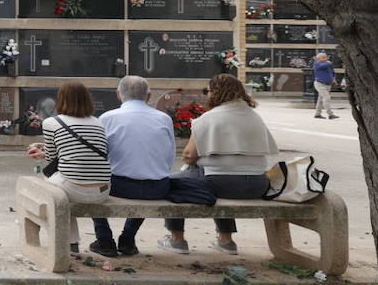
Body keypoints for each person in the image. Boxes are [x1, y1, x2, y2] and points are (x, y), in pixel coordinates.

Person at [89, 76, 217, 258]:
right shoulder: (163, 118)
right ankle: (128, 238)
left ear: (119, 94)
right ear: (148, 96)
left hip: (119, 187)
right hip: (157, 188)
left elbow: (99, 155)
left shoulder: (108, 118)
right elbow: (169, 157)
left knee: (89, 182)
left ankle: (104, 239)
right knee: (148, 175)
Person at [159, 74, 279, 255]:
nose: (207, 95)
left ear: (216, 93)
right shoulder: (255, 116)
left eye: (208, 91)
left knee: (172, 183)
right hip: (258, 183)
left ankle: (177, 239)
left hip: (221, 182)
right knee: (220, 178)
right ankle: (226, 240)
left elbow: (189, 155)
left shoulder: (210, 117)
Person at [26, 81, 110, 255]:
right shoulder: (98, 122)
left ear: (61, 99)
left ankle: (68, 243)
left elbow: (51, 159)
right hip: (102, 190)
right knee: (63, 188)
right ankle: (71, 245)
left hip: (73, 187)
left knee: (44, 190)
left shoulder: (51, 122)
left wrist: (41, 152)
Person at [312, 52, 339, 119]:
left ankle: (317, 114)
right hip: (320, 84)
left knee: (320, 99)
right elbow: (323, 66)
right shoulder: (317, 64)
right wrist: (328, 62)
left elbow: (333, 72)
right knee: (326, 98)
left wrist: (334, 79)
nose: (325, 58)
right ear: (318, 58)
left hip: (328, 85)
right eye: (323, 57)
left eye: (326, 57)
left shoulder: (328, 64)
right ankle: (330, 114)